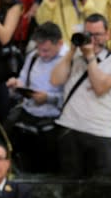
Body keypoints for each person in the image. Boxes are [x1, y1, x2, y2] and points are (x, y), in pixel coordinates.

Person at [51, 13, 111, 177]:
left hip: (99, 131)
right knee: (70, 187)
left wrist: (90, 57)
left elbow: (100, 87)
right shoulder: (75, 56)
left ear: (107, 34)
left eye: (97, 34)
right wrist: (71, 51)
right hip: (70, 128)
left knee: (101, 188)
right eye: (89, 34)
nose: (93, 39)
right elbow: (55, 80)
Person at [5, 21, 68, 172]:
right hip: (29, 114)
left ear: (59, 43)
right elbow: (24, 78)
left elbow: (71, 97)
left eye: (46, 50)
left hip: (53, 121)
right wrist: (16, 85)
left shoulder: (67, 61)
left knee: (47, 166)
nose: (42, 54)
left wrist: (48, 98)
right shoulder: (34, 56)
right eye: (39, 49)